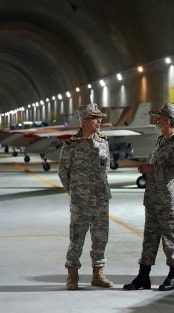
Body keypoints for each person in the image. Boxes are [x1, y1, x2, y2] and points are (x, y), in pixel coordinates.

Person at [124, 103, 174, 291]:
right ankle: (143, 275)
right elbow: (158, 166)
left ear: (167, 121)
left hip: (168, 199)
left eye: (159, 118)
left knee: (170, 236)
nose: (157, 120)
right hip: (153, 197)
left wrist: (150, 169)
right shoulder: (161, 140)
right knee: (150, 237)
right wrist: (147, 170)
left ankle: (173, 275)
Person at [58, 103, 113, 290]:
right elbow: (62, 172)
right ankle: (72, 274)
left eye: (100, 118)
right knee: (77, 237)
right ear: (84, 121)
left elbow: (106, 168)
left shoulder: (104, 141)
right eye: (95, 118)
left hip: (101, 199)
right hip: (80, 201)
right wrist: (74, 191)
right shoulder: (71, 145)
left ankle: (98, 273)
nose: (99, 121)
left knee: (101, 237)